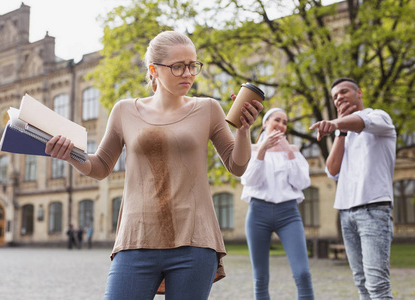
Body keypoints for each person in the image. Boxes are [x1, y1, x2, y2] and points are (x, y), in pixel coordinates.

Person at [45, 31, 263, 299]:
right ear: (153, 70)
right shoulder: (124, 110)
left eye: (193, 65)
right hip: (136, 239)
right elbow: (101, 166)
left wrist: (243, 131)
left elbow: (237, 165)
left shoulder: (208, 109)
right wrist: (71, 154)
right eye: (178, 66)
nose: (188, 74)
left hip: (194, 240)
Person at [310, 77, 396, 299]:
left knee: (377, 285)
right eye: (335, 96)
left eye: (344, 92)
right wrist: (340, 130)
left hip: (374, 210)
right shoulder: (344, 132)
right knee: (361, 283)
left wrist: (337, 123)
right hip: (346, 213)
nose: (339, 98)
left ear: (359, 93)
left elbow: (361, 123)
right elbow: (332, 170)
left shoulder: (378, 117)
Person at [241, 108, 314, 300]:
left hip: (288, 214)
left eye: (285, 122)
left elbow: (302, 183)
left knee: (303, 273)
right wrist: (263, 149)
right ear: (265, 123)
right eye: (277, 120)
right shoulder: (251, 149)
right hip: (258, 214)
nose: (281, 125)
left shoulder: (294, 152)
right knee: (260, 278)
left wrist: (289, 151)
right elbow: (249, 181)